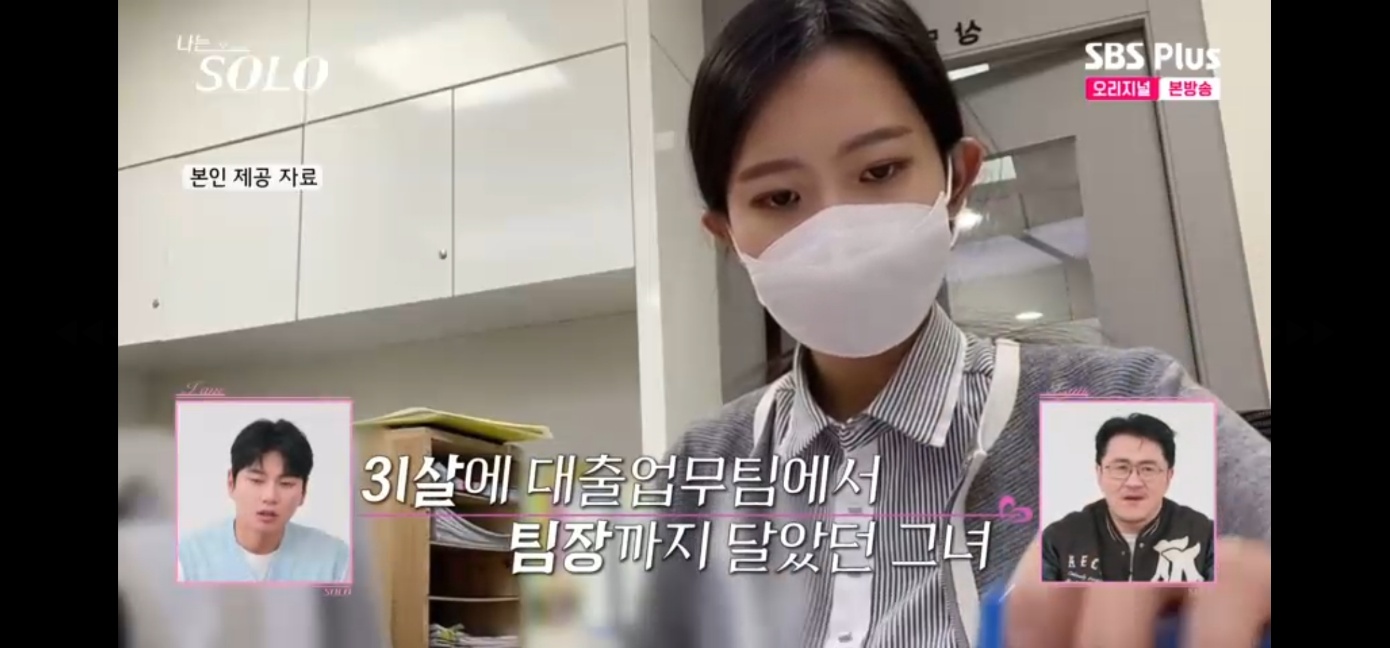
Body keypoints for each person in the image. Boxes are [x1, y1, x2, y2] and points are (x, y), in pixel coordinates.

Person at [632, 0, 1271, 646]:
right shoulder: (707, 466)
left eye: (880, 171)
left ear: (957, 181)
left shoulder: (1119, 413)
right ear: (726, 234)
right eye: (779, 198)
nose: (836, 233)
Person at [1040, 413, 1215, 582]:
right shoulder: (1058, 539)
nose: (1133, 483)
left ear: (1169, 476)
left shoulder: (1206, 536)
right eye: (1121, 468)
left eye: (1148, 469)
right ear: (1099, 473)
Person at [178, 419, 350, 583]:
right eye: (256, 480)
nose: (270, 497)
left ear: (303, 492)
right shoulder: (187, 559)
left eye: (286, 483)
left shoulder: (334, 560)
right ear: (231, 483)